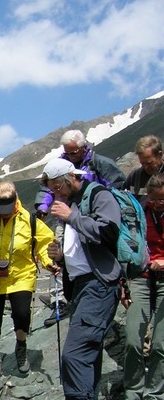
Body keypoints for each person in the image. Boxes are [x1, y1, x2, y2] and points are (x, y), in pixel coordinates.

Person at [42, 158, 122, 400]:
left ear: (70, 178)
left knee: (74, 355)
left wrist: (72, 216)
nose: (55, 195)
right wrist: (60, 258)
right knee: (86, 356)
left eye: (57, 187)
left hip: (100, 286)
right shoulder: (74, 203)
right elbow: (84, 250)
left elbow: (108, 232)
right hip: (82, 286)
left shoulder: (99, 196)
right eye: (51, 190)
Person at [35, 130, 126, 327]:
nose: (71, 155)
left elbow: (117, 184)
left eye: (74, 151)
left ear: (84, 147)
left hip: (90, 213)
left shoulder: (97, 163)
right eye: (67, 152)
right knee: (60, 252)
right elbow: (48, 191)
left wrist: (101, 200)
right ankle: (61, 300)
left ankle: (117, 289)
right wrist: (43, 208)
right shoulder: (59, 166)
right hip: (69, 217)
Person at [0, 180, 56, 377]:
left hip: (21, 274)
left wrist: (48, 261)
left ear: (16, 199)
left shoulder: (30, 220)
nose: (5, 212)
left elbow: (44, 244)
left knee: (22, 313)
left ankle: (21, 347)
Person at [116, 173, 164, 400]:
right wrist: (123, 283)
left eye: (162, 201)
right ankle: (133, 395)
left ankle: (154, 397)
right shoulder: (139, 213)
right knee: (134, 338)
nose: (157, 205)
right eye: (154, 200)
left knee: (160, 344)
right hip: (142, 277)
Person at [123, 135, 164, 205]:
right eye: (142, 163)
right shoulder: (135, 177)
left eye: (149, 163)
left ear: (160, 154)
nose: (145, 167)